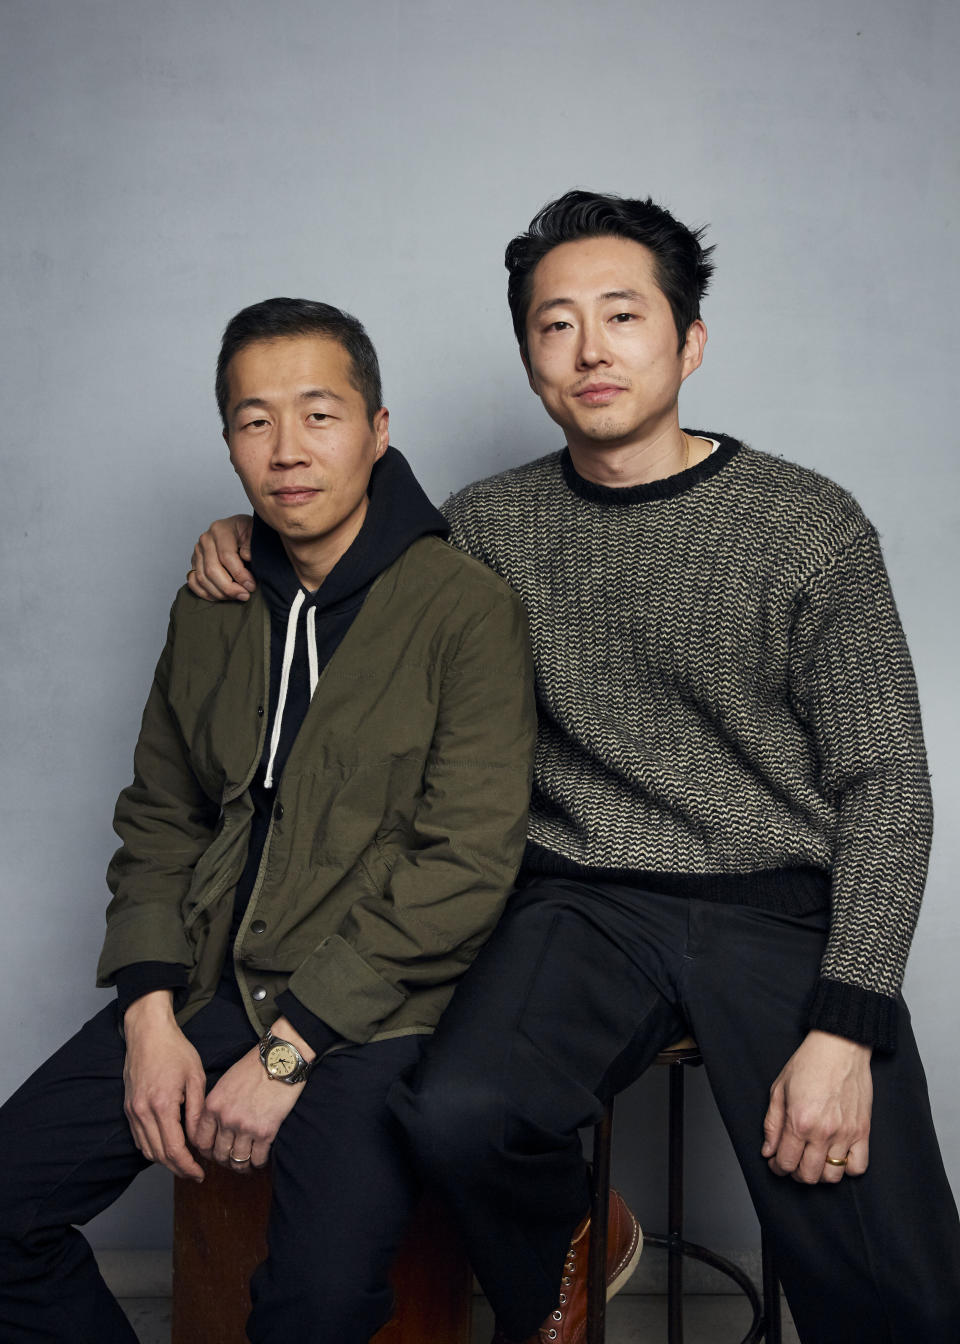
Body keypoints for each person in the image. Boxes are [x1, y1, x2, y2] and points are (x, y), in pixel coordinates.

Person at [186, 195, 960, 1344]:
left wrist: (849, 1023)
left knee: (897, 1291)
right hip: (579, 902)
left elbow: (888, 785)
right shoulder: (487, 527)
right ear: (531, 362)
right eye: (555, 326)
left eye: (622, 315)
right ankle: (569, 1240)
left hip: (780, 913)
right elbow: (345, 547)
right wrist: (242, 536)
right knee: (453, 1113)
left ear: (687, 342)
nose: (590, 349)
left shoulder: (807, 524)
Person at [0, 297, 535, 1344]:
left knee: (316, 1306)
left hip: (377, 1012)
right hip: (207, 982)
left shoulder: (464, 607)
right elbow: (161, 818)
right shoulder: (214, 597)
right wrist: (149, 1016)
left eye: (320, 415)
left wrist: (291, 1052)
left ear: (380, 430)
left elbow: (466, 862)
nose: (287, 450)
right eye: (254, 421)